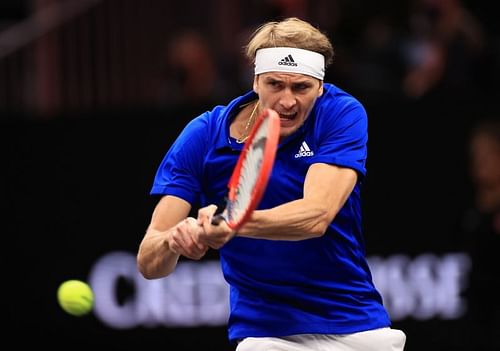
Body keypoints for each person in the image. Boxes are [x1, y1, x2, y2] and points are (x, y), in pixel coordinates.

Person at [137, 17, 406, 351]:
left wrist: (232, 223)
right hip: (266, 336)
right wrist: (173, 242)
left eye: (301, 87)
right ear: (255, 81)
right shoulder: (203, 135)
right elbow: (149, 261)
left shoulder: (340, 113)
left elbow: (316, 215)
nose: (288, 101)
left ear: (320, 86)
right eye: (275, 84)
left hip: (355, 327)